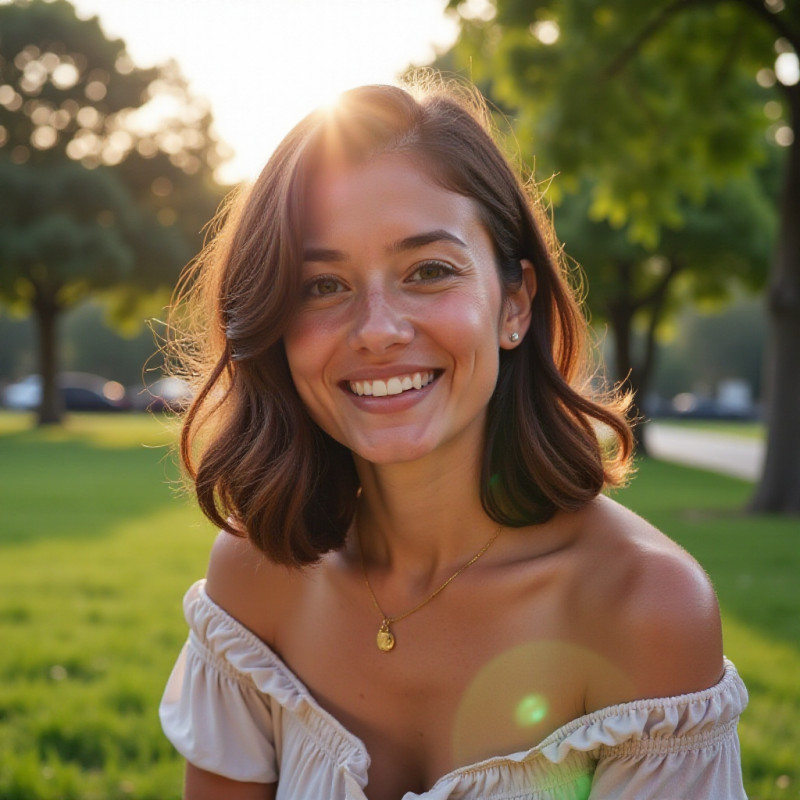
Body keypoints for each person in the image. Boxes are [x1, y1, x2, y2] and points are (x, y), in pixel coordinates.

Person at [159, 79, 748, 800]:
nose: (377, 330)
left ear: (515, 304)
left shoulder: (646, 609)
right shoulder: (257, 576)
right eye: (322, 285)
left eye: (429, 271)